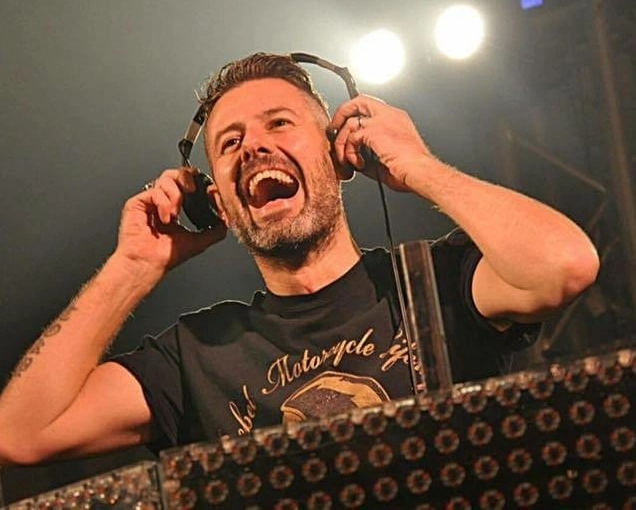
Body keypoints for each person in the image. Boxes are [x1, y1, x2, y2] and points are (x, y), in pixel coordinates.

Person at [0, 53, 599, 464]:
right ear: (218, 204)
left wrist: (418, 167)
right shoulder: (198, 358)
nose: (254, 146)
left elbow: (565, 266)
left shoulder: (435, 282)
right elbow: (20, 434)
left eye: (279, 124)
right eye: (230, 143)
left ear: (341, 157)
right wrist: (134, 266)